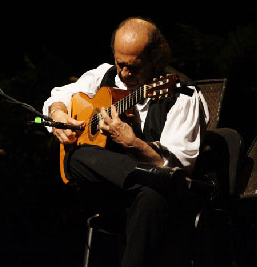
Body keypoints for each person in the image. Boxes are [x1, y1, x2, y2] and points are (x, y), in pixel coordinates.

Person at [43, 17, 211, 267]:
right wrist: (58, 114)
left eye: (134, 67)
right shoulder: (103, 75)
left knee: (153, 196)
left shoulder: (182, 95)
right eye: (120, 63)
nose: (124, 73)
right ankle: (147, 181)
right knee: (77, 157)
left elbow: (180, 166)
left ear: (155, 60)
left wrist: (134, 144)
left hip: (161, 202)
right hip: (109, 192)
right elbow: (58, 96)